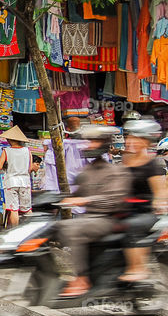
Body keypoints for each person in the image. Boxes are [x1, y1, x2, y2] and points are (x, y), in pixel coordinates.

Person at [58, 125, 131, 297]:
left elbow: (114, 199)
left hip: (106, 219)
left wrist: (86, 200)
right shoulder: (86, 172)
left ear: (104, 144)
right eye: (88, 141)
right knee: (58, 228)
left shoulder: (116, 171)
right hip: (89, 217)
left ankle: (82, 278)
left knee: (73, 229)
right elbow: (76, 193)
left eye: (94, 141)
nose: (89, 145)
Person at [120, 119, 167, 281]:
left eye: (136, 138)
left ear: (145, 141)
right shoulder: (125, 161)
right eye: (129, 137)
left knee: (132, 225)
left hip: (145, 211)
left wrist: (159, 206)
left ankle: (138, 269)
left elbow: (160, 193)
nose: (130, 141)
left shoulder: (153, 165)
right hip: (124, 208)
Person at [0, 126, 38, 227]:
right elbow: (29, 168)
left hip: (11, 182)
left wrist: (7, 165)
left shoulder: (6, 151)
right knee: (27, 209)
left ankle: (15, 231)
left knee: (13, 209)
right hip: (25, 182)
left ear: (9, 140)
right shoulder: (27, 151)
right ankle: (30, 231)